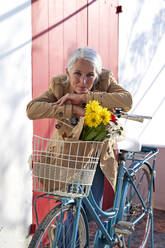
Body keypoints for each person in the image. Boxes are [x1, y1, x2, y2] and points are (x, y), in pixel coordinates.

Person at [27, 47, 133, 217]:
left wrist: (86, 98)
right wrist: (72, 110)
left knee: (90, 213)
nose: (83, 81)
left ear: (97, 74)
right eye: (77, 73)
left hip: (96, 155)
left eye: (90, 75)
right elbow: (32, 110)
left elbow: (127, 100)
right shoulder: (59, 85)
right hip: (69, 154)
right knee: (71, 207)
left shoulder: (105, 81)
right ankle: (68, 242)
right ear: (67, 72)